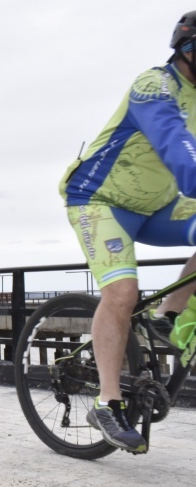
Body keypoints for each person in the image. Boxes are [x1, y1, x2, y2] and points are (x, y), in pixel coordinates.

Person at [58, 11, 196, 454]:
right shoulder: (153, 85)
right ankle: (108, 401)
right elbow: (176, 145)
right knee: (122, 293)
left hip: (154, 206)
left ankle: (167, 319)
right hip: (99, 200)